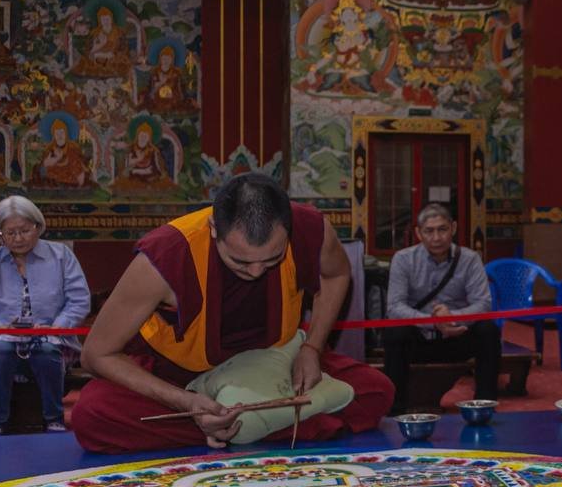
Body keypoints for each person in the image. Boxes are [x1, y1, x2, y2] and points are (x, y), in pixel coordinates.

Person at [72, 173, 395, 452]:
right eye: (240, 261)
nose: (256, 272)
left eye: (271, 260)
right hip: (184, 377)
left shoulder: (311, 228)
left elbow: (336, 274)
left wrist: (312, 347)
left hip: (276, 363)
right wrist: (187, 404)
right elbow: (96, 354)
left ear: (288, 230)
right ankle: (258, 423)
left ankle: (236, 427)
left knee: (376, 390)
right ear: (214, 228)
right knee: (93, 413)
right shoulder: (167, 255)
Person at [0, 196, 90, 435]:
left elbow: (79, 300)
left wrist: (56, 328)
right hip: (3, 338)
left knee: (46, 351)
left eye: (24, 231)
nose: (18, 238)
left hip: (53, 337)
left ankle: (54, 419)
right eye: (9, 233)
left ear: (38, 227)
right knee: (0, 351)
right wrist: (0, 328)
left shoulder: (61, 256)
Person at [382, 203, 500, 414]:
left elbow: (483, 304)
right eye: (429, 231)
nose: (436, 238)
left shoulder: (470, 259)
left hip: (457, 336)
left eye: (442, 229)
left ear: (453, 228)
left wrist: (451, 318)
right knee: (395, 332)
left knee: (488, 331)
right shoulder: (403, 259)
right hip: (419, 337)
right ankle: (395, 410)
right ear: (418, 233)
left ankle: (484, 407)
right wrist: (432, 321)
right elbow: (394, 306)